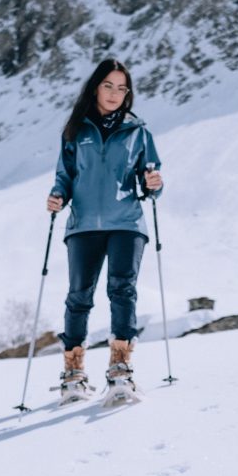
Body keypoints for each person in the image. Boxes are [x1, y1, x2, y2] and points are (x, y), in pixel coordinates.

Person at [47, 57, 163, 403]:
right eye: (108, 86)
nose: (115, 93)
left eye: (121, 88)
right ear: (95, 87)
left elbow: (152, 179)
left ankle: (120, 371)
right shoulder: (75, 131)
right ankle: (73, 375)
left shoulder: (139, 131)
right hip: (83, 225)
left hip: (127, 221)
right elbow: (64, 177)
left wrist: (154, 183)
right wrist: (57, 196)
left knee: (121, 290)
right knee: (79, 296)